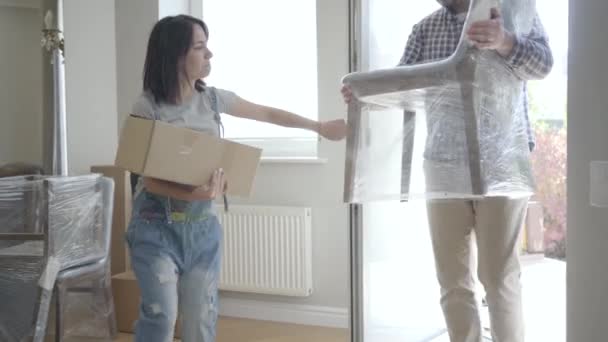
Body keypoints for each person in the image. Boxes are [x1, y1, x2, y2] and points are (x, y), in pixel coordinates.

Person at [127, 14, 346, 342]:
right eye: (200, 47)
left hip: (202, 229)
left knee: (201, 318)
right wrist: (196, 194)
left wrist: (319, 127)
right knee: (162, 315)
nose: (209, 55)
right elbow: (147, 179)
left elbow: (268, 113)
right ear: (175, 54)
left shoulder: (213, 99)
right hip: (154, 227)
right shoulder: (146, 106)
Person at [342, 1, 553, 341]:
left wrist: (505, 42)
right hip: (443, 162)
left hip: (501, 163)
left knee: (499, 277)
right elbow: (400, 84)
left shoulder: (509, 12)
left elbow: (543, 64)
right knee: (453, 279)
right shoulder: (425, 29)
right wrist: (364, 91)